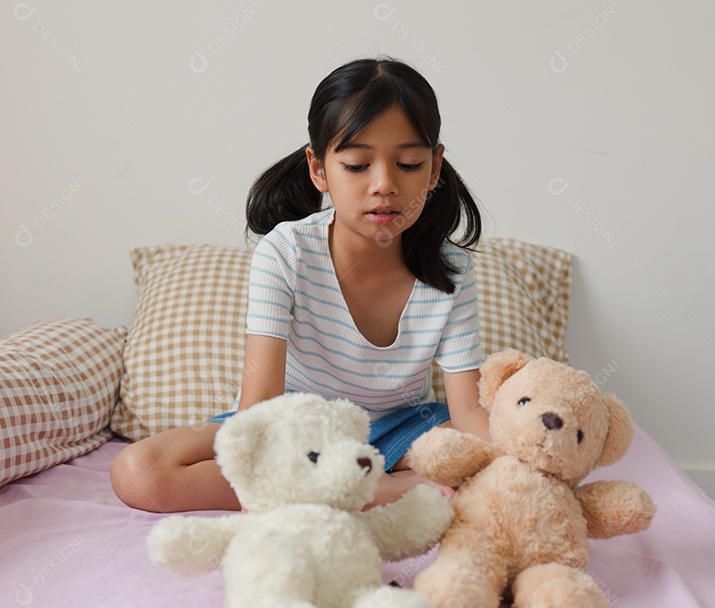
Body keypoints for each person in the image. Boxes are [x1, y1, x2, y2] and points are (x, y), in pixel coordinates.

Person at [111, 57, 489, 513]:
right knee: (139, 472)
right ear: (319, 169)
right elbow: (260, 407)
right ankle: (361, 490)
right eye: (356, 165)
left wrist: (517, 456)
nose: (384, 184)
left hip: (400, 430)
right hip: (289, 428)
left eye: (408, 163)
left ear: (434, 169)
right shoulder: (285, 252)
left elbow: (468, 414)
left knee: (488, 457)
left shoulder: (452, 269)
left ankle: (340, 486)